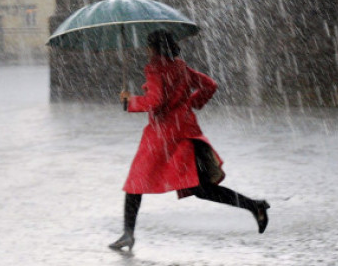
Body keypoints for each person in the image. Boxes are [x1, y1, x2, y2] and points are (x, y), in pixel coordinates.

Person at [110, 30, 270, 251]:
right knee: (201, 189)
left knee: (135, 183)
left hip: (163, 137)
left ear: (155, 48)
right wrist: (191, 103)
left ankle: (128, 234)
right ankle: (255, 206)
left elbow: (156, 101)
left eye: (148, 46)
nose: (146, 50)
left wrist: (130, 102)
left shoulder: (155, 68)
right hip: (185, 132)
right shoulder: (180, 67)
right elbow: (209, 85)